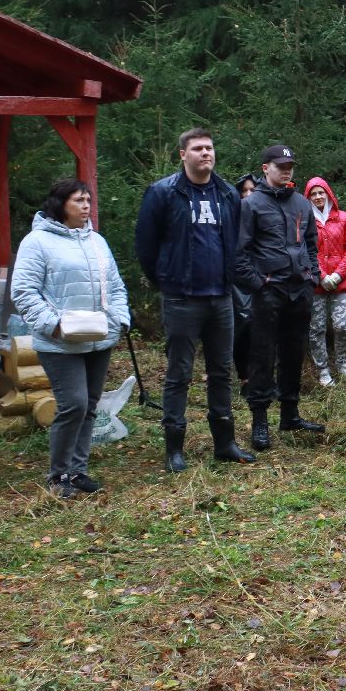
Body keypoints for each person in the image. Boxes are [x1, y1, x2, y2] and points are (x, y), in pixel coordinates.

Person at [135, 128, 255, 471]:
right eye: (198, 148)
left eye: (210, 148)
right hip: (182, 299)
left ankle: (225, 442)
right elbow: (146, 246)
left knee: (221, 371)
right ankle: (175, 448)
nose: (206, 153)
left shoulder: (228, 194)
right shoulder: (163, 193)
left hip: (220, 298)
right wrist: (167, 282)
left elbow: (234, 244)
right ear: (183, 155)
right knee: (179, 374)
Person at [10, 178, 133, 498]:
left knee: (89, 405)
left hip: (98, 338)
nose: (86, 206)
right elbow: (23, 292)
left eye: (88, 201)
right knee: (73, 405)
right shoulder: (37, 242)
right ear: (60, 203)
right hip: (59, 342)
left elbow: (116, 287)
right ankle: (58, 475)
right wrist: (53, 325)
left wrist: (119, 319)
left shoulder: (97, 241)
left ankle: (77, 472)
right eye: (79, 200)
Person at [235, 144, 324, 451]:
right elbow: (240, 252)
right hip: (269, 291)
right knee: (262, 356)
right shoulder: (251, 205)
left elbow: (312, 245)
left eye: (290, 166)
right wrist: (258, 283)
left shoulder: (301, 203)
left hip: (299, 290)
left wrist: (312, 275)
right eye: (280, 165)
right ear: (265, 168)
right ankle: (260, 421)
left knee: (293, 352)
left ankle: (290, 414)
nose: (286, 170)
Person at [305, 175, 346, 386]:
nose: (318, 197)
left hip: (341, 281)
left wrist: (337, 275)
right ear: (308, 197)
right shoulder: (305, 219)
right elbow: (305, 250)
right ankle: (323, 370)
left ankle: (344, 366)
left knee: (341, 326)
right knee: (317, 327)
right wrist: (320, 276)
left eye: (321, 192)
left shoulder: (343, 217)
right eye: (314, 193)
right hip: (316, 283)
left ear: (328, 194)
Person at [232, 173, 258, 391]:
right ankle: (245, 376)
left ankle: (263, 376)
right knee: (243, 326)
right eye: (245, 191)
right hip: (238, 279)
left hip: (263, 275)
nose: (248, 195)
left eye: (253, 190)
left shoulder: (263, 212)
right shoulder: (232, 213)